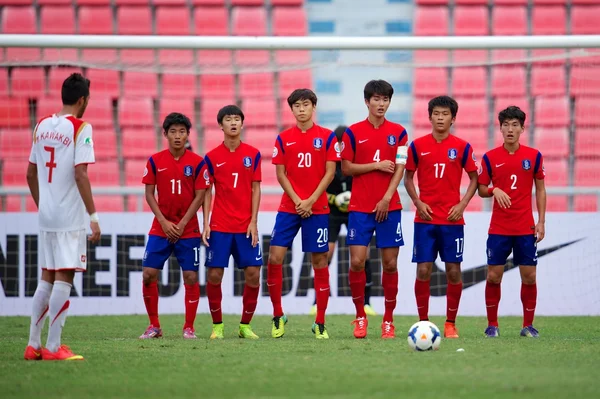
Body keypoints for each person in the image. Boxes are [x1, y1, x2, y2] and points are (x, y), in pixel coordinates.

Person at [24, 73, 101, 361]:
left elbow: (30, 173)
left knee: (46, 277)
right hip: (68, 216)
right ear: (83, 100)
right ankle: (54, 347)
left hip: (46, 215)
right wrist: (93, 215)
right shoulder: (81, 127)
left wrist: (43, 204)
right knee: (64, 277)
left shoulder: (42, 125)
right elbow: (81, 173)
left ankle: (33, 345)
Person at [404, 96, 479, 339]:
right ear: (429, 117)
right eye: (436, 113)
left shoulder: (462, 147)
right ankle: (423, 323)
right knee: (423, 270)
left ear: (453, 118)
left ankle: (450, 323)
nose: (440, 117)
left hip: (452, 220)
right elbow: (407, 178)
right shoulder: (417, 146)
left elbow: (475, 178)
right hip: (424, 220)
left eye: (445, 114)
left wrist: (462, 204)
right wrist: (417, 202)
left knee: (454, 271)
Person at [267, 88, 338, 339]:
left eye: (305, 104)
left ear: (313, 107)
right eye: (296, 105)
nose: (301, 109)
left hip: (317, 208)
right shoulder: (283, 138)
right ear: (292, 109)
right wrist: (299, 200)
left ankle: (319, 322)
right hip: (290, 207)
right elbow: (280, 174)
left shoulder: (328, 137)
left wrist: (310, 200)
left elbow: (330, 173)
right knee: (275, 258)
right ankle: (278, 315)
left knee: (319, 261)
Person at [340, 80, 408, 339]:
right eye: (376, 99)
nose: (381, 104)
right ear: (367, 102)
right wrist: (376, 165)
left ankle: (388, 321)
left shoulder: (400, 132)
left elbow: (400, 167)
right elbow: (346, 168)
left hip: (390, 208)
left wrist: (387, 197)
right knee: (357, 261)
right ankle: (360, 316)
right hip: (360, 207)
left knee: (390, 264)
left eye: (385, 100)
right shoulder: (353, 132)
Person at [139, 113, 209, 340]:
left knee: (190, 276)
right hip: (161, 227)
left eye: (182, 132)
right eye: (173, 132)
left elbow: (201, 196)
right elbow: (149, 194)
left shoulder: (198, 163)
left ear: (188, 134)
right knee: (149, 274)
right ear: (165, 134)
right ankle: (154, 326)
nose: (177, 136)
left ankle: (189, 327)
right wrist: (163, 221)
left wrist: (181, 223)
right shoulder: (154, 161)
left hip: (187, 229)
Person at [478, 105, 546, 338]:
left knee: (529, 276)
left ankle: (527, 325)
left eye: (514, 125)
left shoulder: (534, 156)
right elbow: (481, 189)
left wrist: (541, 221)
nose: (510, 129)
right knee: (493, 276)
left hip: (525, 227)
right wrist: (494, 190)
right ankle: (492, 325)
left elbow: (541, 189)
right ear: (500, 128)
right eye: (506, 125)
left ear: (522, 128)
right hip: (499, 228)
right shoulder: (490, 157)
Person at [202, 105, 262, 340]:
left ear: (242, 124)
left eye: (237, 119)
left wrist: (254, 221)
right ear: (221, 125)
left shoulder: (253, 154)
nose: (233, 123)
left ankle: (245, 326)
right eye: (229, 119)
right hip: (220, 226)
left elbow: (256, 188)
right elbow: (207, 192)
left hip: (245, 226)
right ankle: (217, 326)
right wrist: (206, 223)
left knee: (253, 274)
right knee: (215, 274)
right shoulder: (211, 157)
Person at [309, 125, 377, 317]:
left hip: (355, 211)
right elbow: (319, 186)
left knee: (364, 254)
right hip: (331, 212)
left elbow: (366, 184)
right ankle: (317, 301)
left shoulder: (357, 160)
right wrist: (334, 199)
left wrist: (353, 198)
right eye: (338, 143)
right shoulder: (327, 161)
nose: (340, 146)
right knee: (325, 252)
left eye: (343, 143)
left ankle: (366, 302)